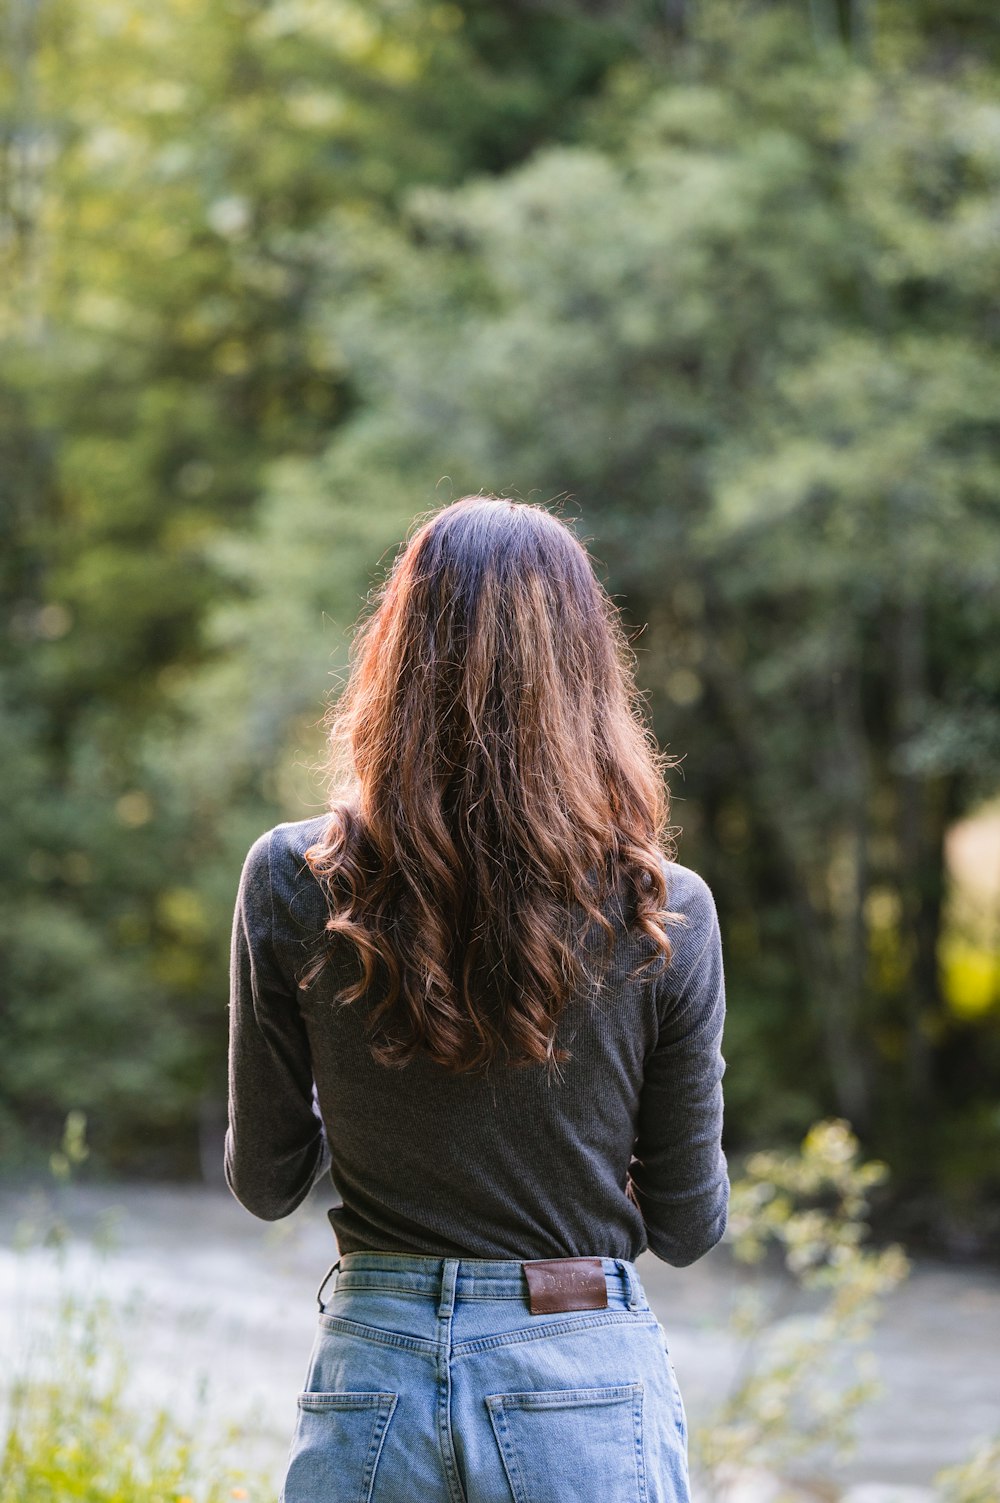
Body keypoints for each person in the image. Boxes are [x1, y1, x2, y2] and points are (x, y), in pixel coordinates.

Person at [225, 495, 730, 1503]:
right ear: (591, 672)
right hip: (580, 1374)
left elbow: (267, 1180)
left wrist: (384, 1126)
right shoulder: (662, 909)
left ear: (394, 658)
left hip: (376, 1377)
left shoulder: (293, 877)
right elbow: (686, 1224)